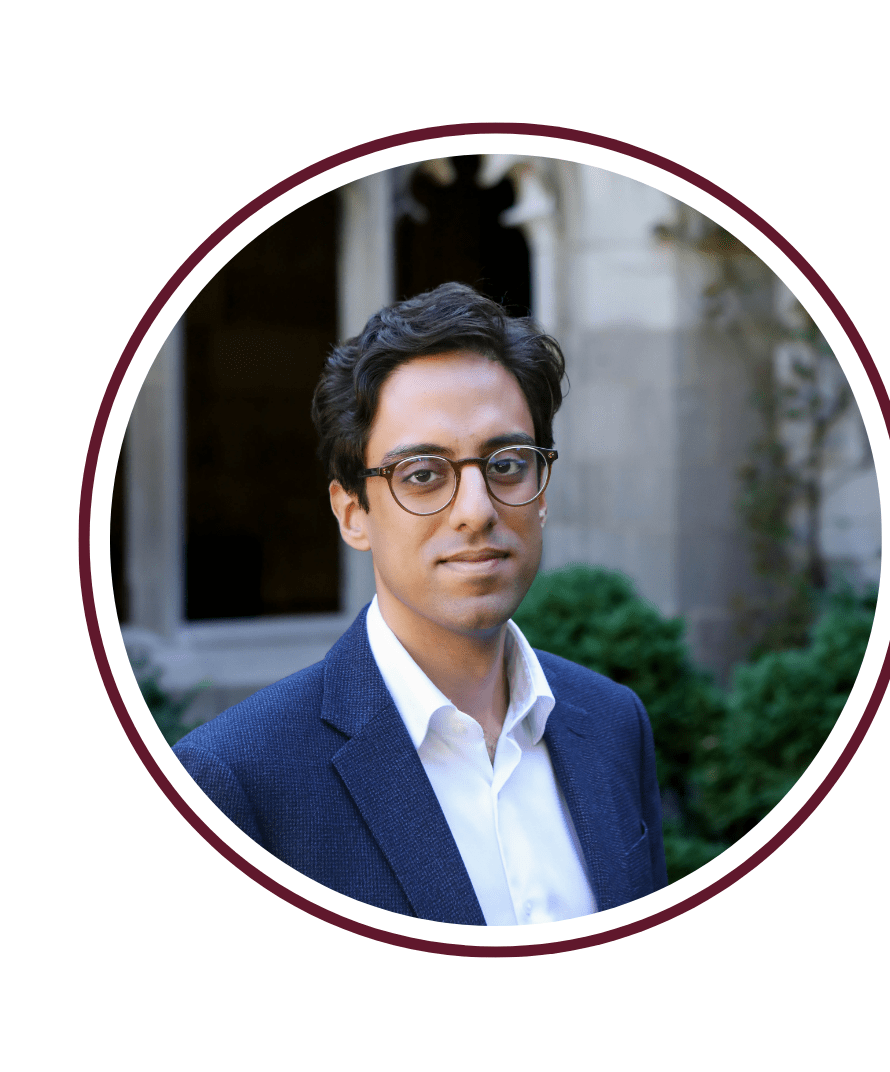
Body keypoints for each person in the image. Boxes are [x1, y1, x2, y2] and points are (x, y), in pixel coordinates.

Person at [173, 282, 667, 925]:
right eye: (424, 475)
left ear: (542, 488)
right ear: (353, 513)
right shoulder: (235, 780)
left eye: (508, 464)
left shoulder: (611, 723)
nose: (477, 511)